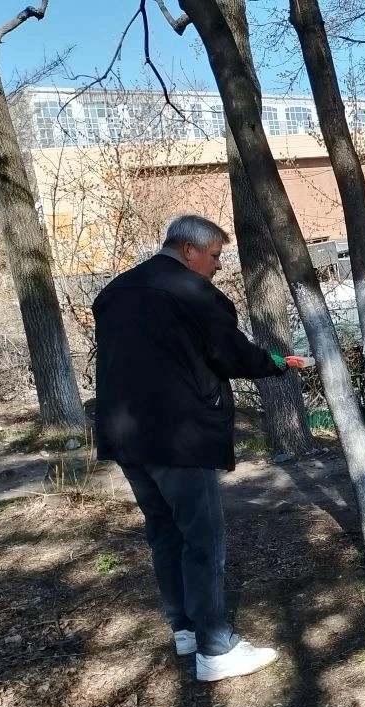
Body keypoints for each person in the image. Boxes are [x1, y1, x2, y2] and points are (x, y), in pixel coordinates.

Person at [93, 214, 291, 681]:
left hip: (125, 436)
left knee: (164, 532)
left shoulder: (115, 292)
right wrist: (275, 363)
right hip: (180, 437)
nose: (219, 266)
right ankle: (216, 650)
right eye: (216, 256)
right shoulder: (196, 294)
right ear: (189, 250)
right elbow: (230, 354)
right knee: (203, 542)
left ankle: (184, 629)